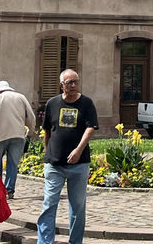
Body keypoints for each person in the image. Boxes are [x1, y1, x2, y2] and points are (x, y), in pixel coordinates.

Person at [37, 69, 98, 244]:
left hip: (79, 165)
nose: (73, 86)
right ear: (61, 85)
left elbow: (91, 128)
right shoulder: (52, 103)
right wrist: (47, 152)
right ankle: (45, 242)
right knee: (49, 204)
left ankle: (75, 241)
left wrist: (78, 150)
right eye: (69, 82)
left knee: (78, 207)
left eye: (76, 82)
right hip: (54, 164)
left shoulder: (86, 103)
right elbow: (47, 130)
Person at [0, 80, 36, 199]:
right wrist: (30, 131)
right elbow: (31, 116)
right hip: (18, 135)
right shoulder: (21, 97)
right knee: (13, 164)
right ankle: (9, 190)